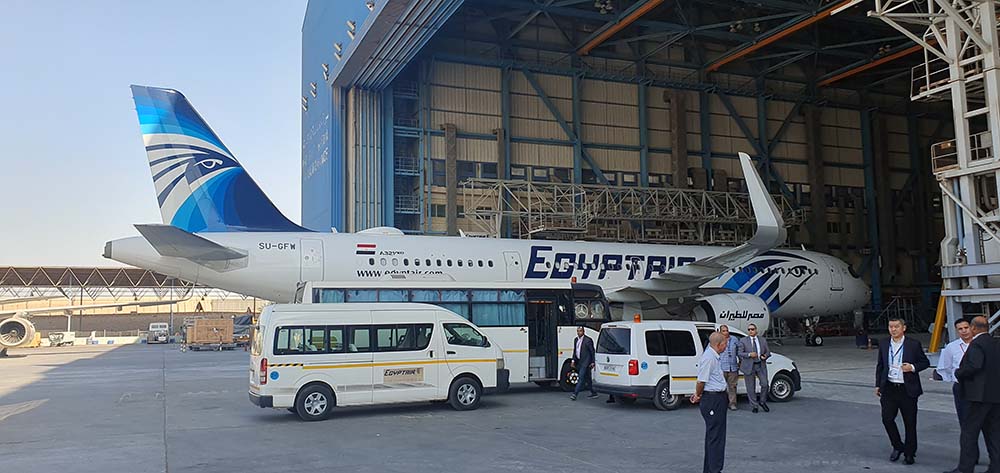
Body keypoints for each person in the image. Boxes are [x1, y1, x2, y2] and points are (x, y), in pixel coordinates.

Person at [947, 316, 1000, 473]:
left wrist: (959, 372)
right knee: (994, 433)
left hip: (977, 396)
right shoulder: (996, 343)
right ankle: (996, 466)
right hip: (995, 396)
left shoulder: (977, 344)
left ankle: (965, 468)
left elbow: (974, 365)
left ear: (973, 328)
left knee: (969, 432)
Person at [875, 317, 930, 465]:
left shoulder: (913, 344)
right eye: (891, 327)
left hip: (907, 389)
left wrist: (912, 367)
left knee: (910, 423)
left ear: (903, 328)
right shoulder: (884, 343)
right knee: (887, 419)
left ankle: (910, 452)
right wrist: (878, 384)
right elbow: (880, 365)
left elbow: (925, 362)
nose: (893, 329)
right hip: (889, 387)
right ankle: (898, 446)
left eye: (896, 327)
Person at [691, 331, 729, 473]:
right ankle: (715, 470)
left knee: (714, 436)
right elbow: (701, 381)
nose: (726, 346)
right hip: (713, 399)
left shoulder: (715, 357)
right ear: (718, 345)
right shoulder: (709, 358)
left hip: (717, 397)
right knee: (716, 438)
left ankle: (710, 469)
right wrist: (698, 394)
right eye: (725, 343)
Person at [936, 318, 974, 423]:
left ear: (971, 328)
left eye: (966, 327)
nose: (964, 331)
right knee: (964, 418)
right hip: (961, 386)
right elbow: (947, 367)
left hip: (980, 384)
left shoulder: (979, 344)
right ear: (957, 331)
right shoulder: (951, 347)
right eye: (960, 329)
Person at [737, 323, 770, 413]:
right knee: (750, 387)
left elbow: (768, 351)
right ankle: (754, 405)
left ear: (756, 330)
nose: (750, 331)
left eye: (752, 329)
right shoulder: (743, 340)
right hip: (749, 365)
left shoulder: (762, 340)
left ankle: (762, 401)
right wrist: (749, 354)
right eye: (749, 330)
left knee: (765, 384)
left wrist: (765, 356)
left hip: (760, 364)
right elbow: (739, 353)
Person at [570, 326, 598, 401]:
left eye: (580, 331)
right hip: (579, 361)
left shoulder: (588, 340)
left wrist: (593, 361)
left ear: (583, 332)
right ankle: (594, 392)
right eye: (578, 331)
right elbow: (575, 351)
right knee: (588, 378)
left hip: (586, 362)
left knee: (581, 377)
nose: (579, 333)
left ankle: (575, 394)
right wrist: (573, 360)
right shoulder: (576, 340)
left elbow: (592, 351)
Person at [718, 324, 740, 411]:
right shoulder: (717, 340)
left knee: (732, 386)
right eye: (723, 331)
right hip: (721, 367)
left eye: (726, 330)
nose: (726, 332)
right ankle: (721, 404)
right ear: (720, 332)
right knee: (721, 387)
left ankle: (732, 404)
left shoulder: (734, 339)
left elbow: (739, 351)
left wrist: (740, 362)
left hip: (733, 367)